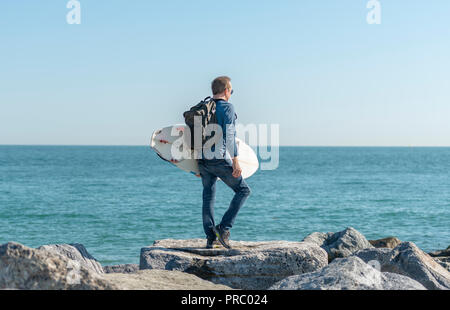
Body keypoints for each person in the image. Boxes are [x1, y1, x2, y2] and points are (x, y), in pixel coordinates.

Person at [197, 76, 251, 249]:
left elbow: (193, 137)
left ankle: (210, 237)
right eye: (231, 91)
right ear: (226, 90)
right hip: (219, 159)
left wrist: (196, 164)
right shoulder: (226, 107)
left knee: (208, 196)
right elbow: (229, 136)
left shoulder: (204, 107)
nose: (231, 94)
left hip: (202, 160)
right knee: (243, 190)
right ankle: (223, 228)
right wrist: (235, 161)